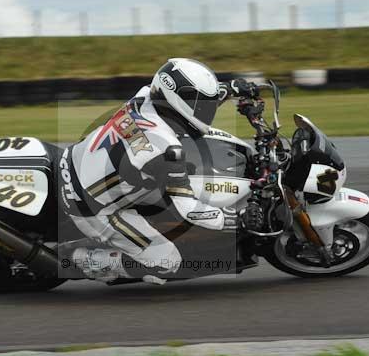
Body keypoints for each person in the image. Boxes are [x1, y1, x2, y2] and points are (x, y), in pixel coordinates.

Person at [58, 58, 260, 284]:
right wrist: (237, 219)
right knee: (166, 260)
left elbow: (188, 102)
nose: (207, 110)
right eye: (202, 105)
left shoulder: (146, 96)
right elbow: (189, 210)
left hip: (76, 159)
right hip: (91, 206)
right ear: (177, 99)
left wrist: (229, 89)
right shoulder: (162, 148)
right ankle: (73, 259)